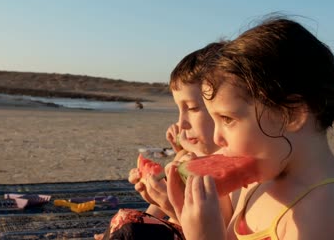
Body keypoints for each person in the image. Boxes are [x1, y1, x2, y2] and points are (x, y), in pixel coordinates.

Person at [167, 17, 334, 240]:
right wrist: (184, 211)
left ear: (291, 115)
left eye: (227, 119)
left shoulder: (330, 209)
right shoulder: (262, 175)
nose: (217, 137)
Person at [96, 41, 234, 240]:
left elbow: (214, 233)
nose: (181, 123)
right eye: (179, 109)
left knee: (130, 229)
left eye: (193, 108)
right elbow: (162, 206)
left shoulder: (230, 173)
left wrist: (169, 205)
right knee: (125, 220)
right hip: (175, 225)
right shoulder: (190, 155)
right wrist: (151, 205)